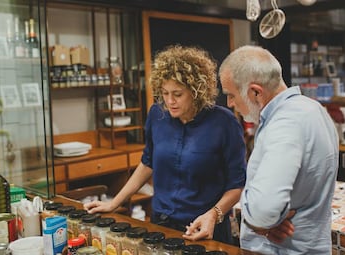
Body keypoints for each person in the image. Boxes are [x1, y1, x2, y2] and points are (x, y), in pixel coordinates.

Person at [84, 45, 247, 244]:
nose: (170, 101)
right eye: (165, 93)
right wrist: (114, 203)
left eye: (178, 94)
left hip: (205, 228)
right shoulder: (157, 114)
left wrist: (214, 214)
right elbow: (147, 163)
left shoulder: (225, 123)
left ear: (197, 91)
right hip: (161, 224)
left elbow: (237, 185)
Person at [219, 45, 338, 254]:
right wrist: (269, 219)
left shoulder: (285, 123)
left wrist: (260, 225)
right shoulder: (313, 109)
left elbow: (263, 211)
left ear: (256, 92)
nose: (229, 103)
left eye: (231, 95)